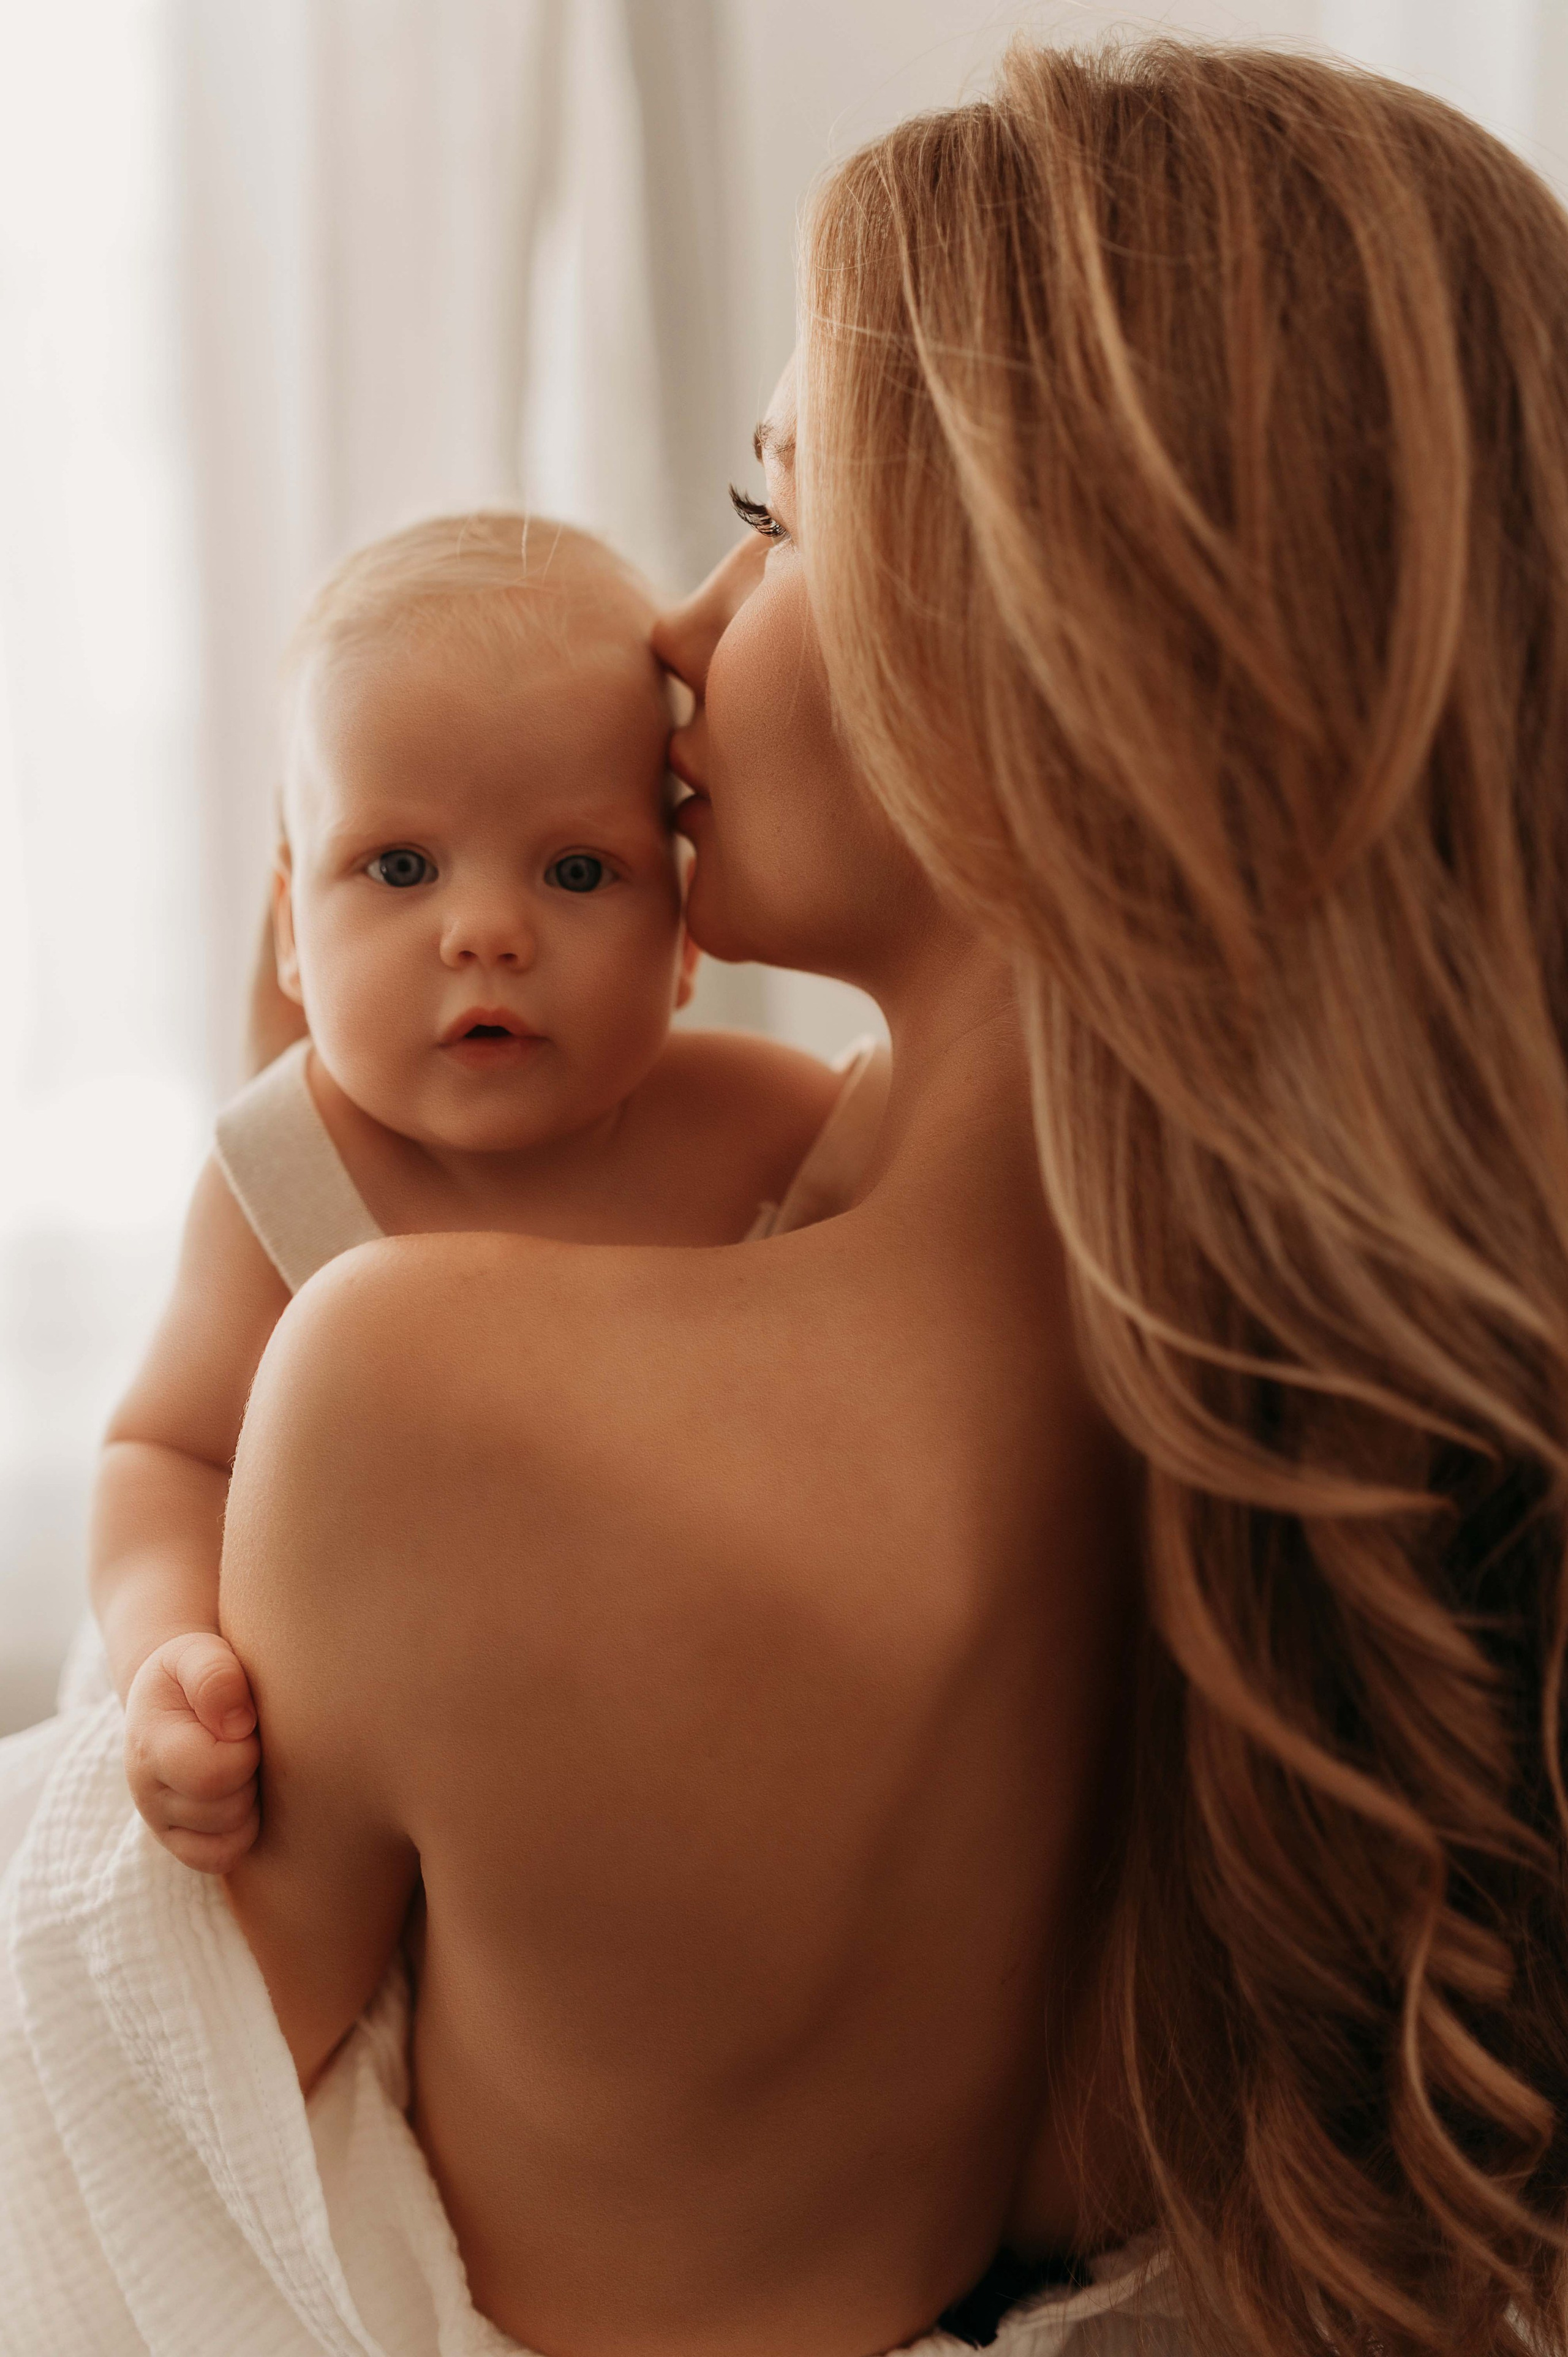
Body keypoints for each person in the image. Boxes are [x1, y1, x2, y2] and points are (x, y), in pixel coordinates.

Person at [10, 30, 1567, 2357]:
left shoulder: (430, 1389)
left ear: (1056, 643)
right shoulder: (1337, 1566)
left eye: (775, 507)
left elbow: (115, 2154)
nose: (677, 629)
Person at [87, 510, 871, 1874]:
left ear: (683, 941)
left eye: (578, 870)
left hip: (645, 1787)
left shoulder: (777, 1132)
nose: (486, 930)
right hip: (335, 1782)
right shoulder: (281, 1173)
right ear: (291, 930)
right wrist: (171, 1655)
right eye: (400, 867)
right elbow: (164, 1456)